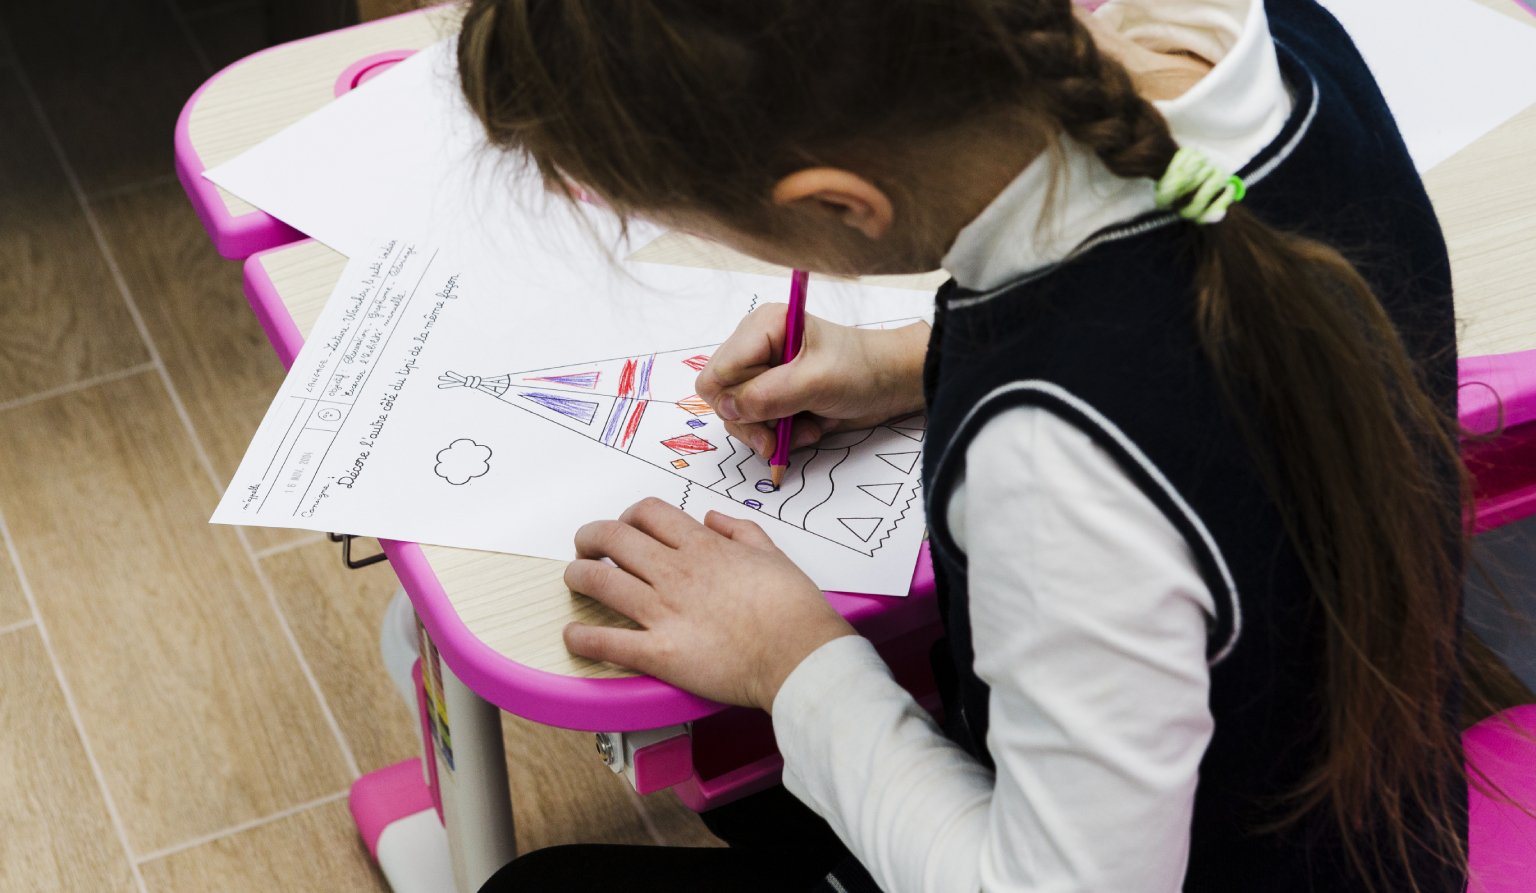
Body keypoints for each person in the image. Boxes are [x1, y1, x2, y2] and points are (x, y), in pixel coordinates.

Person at [458, 0, 1471, 890]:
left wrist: (792, 658)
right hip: (1373, 820)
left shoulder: (1049, 465)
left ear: (836, 205)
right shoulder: (1279, 48)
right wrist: (917, 357)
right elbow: (1191, 329)